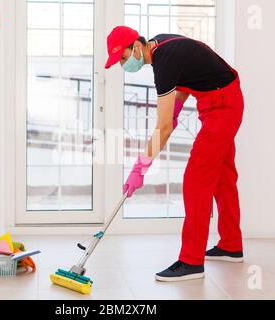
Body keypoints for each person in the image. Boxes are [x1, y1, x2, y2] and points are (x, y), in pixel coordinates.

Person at [105, 26, 245, 281]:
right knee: (223, 177)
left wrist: (141, 167)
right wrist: (177, 106)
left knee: (196, 179)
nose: (122, 65)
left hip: (223, 107)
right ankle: (231, 245)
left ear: (136, 46)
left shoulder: (164, 62)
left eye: (123, 58)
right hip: (221, 102)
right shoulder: (161, 46)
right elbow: (188, 75)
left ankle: (191, 261)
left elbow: (164, 127)